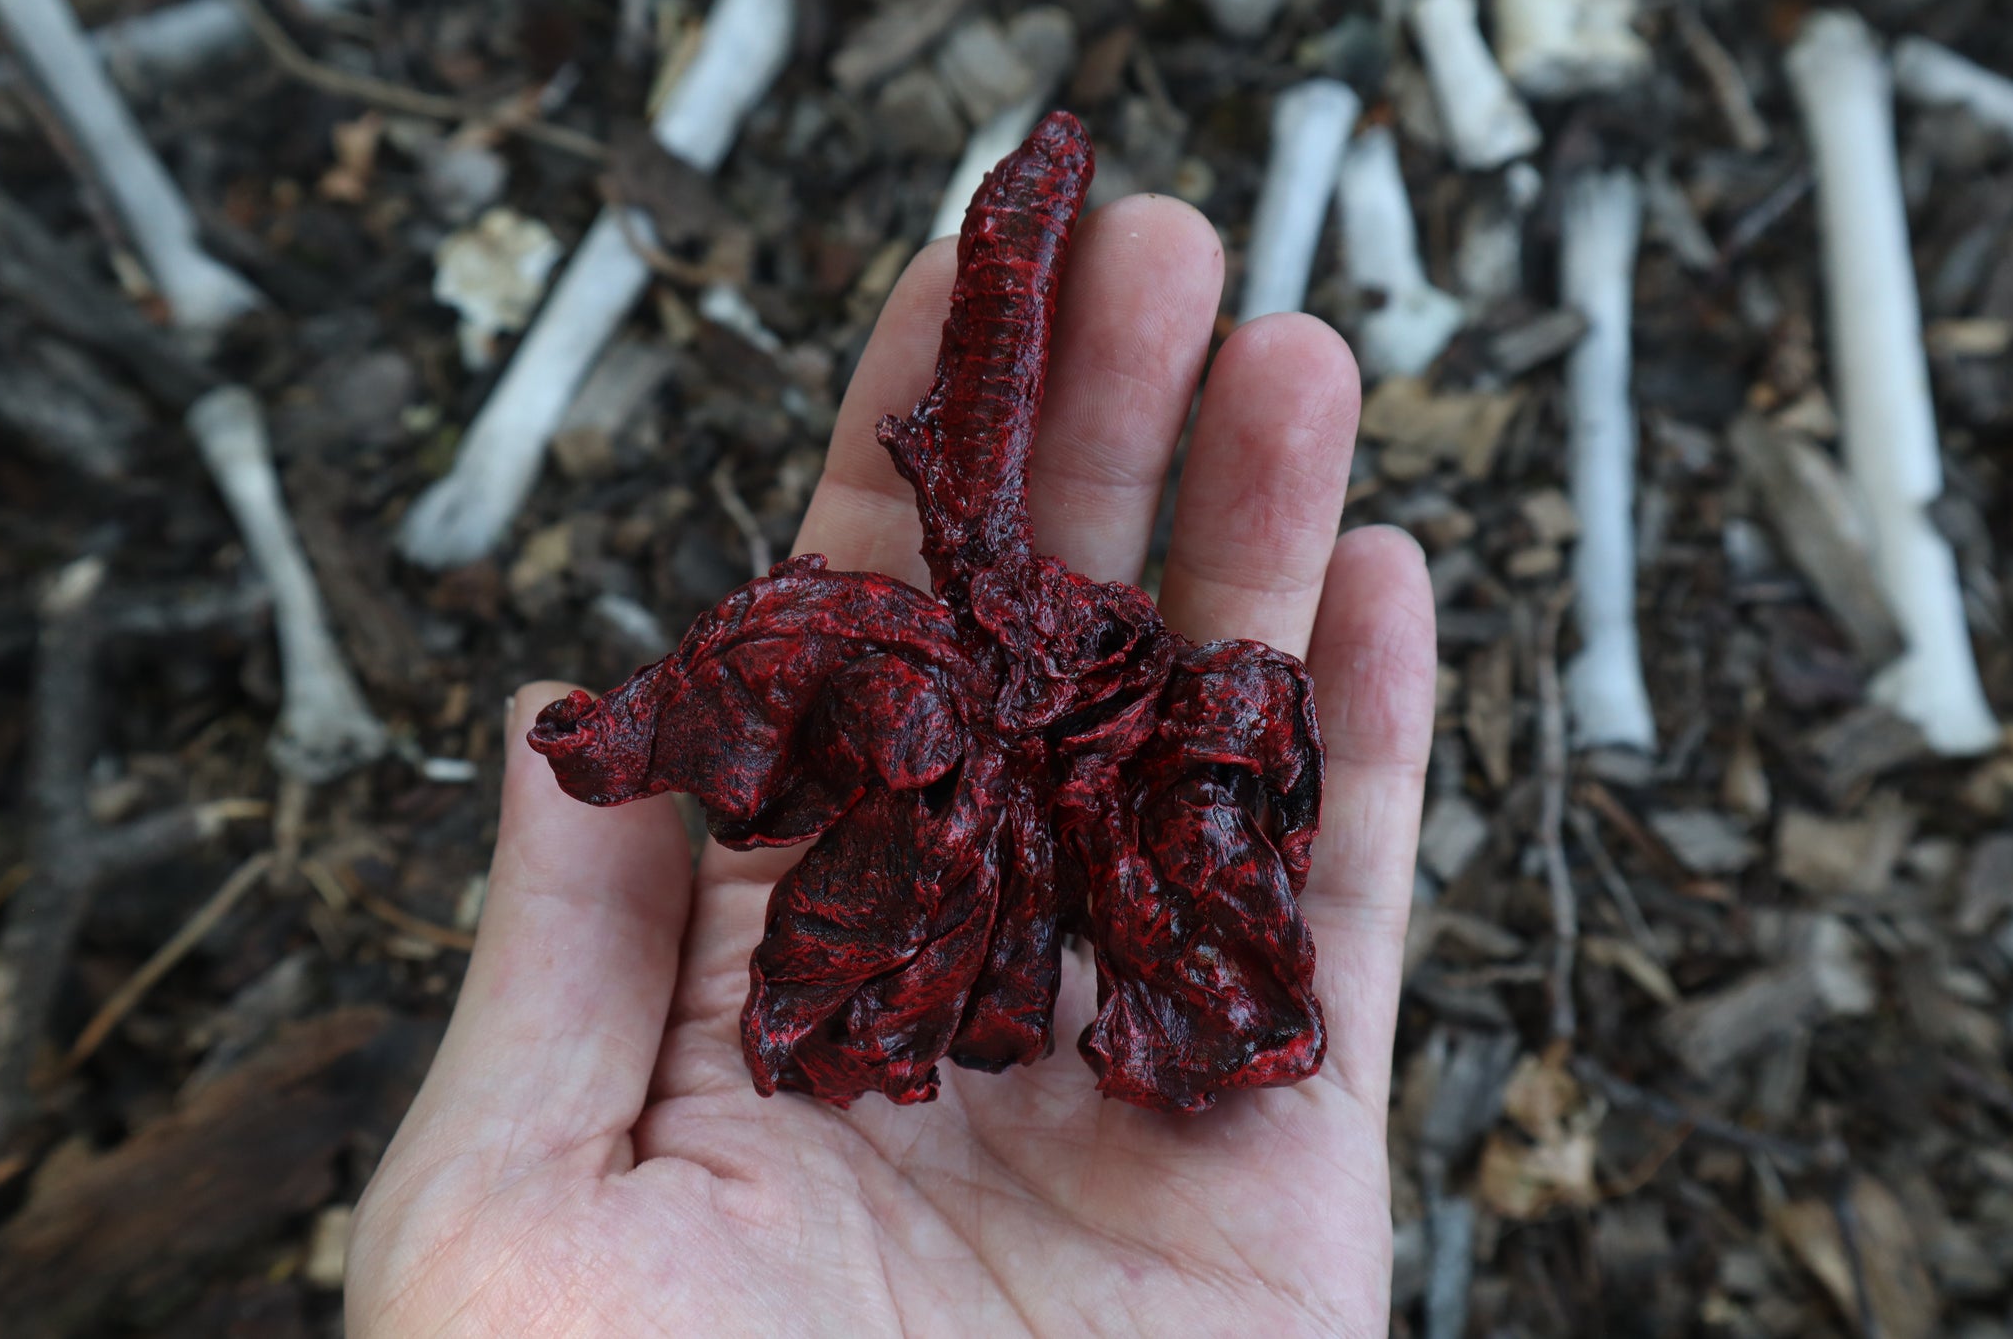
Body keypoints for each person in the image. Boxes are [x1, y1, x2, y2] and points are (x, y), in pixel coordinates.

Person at [346, 195, 1436, 1336]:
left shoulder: (1089, 724)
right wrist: (626, 731)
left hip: (990, 787)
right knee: (912, 811)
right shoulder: (918, 698)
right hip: (948, 783)